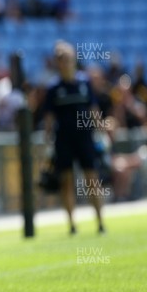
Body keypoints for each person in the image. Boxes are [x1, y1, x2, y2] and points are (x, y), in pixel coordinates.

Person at [43, 41, 106, 235]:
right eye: (61, 59)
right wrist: (47, 144)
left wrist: (101, 133)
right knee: (67, 181)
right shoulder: (53, 88)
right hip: (64, 140)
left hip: (85, 138)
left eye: (68, 59)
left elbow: (94, 110)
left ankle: (100, 222)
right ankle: (71, 224)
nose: (65, 63)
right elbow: (49, 118)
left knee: (92, 179)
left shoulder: (84, 83)